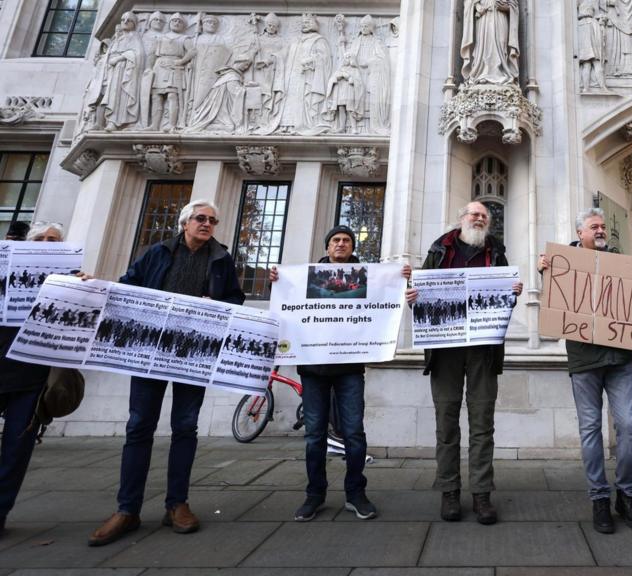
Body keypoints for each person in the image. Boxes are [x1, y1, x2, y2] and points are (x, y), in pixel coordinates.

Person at [89, 200, 244, 547]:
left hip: (193, 355)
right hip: (149, 354)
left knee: (185, 426)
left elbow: (236, 299)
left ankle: (177, 504)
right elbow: (126, 287)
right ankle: (127, 510)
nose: (207, 224)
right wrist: (92, 287)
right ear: (185, 222)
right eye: (200, 219)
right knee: (139, 425)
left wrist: (217, 305)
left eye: (212, 220)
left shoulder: (221, 260)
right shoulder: (156, 253)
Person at [269, 225, 410, 522]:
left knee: (354, 433)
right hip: (313, 369)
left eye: (346, 240)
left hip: (349, 370)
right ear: (327, 246)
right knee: (314, 436)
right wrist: (279, 282)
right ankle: (314, 494)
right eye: (336, 240)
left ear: (351, 247)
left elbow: (383, 305)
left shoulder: (366, 278)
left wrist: (400, 281)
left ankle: (356, 493)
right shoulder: (305, 278)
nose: (341, 244)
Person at [404, 202, 523, 524]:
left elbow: (504, 301)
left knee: (483, 424)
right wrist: (412, 295)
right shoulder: (439, 250)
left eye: (484, 215)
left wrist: (513, 292)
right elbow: (419, 292)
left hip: (483, 351)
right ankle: (450, 492)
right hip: (445, 350)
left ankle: (482, 494)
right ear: (461, 220)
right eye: (474, 214)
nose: (479, 218)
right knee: (446, 423)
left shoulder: (496, 253)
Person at [536, 208, 632, 535]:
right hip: (585, 360)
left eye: (602, 226)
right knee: (590, 429)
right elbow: (551, 308)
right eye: (593, 226)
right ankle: (599, 497)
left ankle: (626, 495)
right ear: (580, 232)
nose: (600, 230)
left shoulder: (620, 261)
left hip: (619, 359)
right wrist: (544, 273)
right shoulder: (563, 263)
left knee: (629, 425)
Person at [0, 222, 73, 536]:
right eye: (41, 239)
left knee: (16, 451)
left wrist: (84, 287)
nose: (47, 243)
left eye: (54, 240)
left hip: (32, 378)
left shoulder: (69, 279)